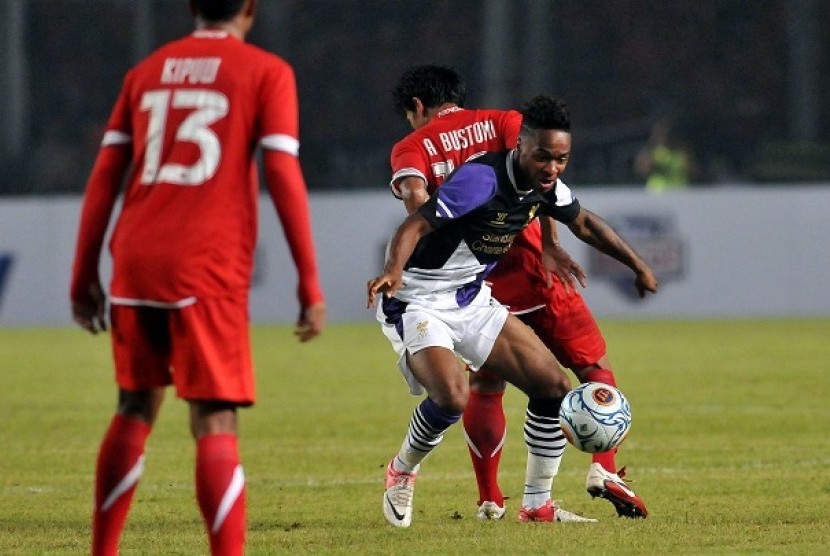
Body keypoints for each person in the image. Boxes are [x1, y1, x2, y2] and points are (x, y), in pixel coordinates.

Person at [69, 1, 326, 554]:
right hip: (205, 265)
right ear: (250, 8)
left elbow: (105, 176)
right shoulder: (266, 71)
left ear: (191, 6)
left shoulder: (145, 71)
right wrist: (309, 278)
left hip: (135, 259)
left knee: (135, 405)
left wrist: (83, 270)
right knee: (213, 418)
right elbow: (281, 170)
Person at [369, 94, 658, 528]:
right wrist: (393, 270)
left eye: (561, 159)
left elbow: (585, 222)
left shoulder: (545, 187)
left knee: (553, 387)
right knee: (451, 396)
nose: (552, 168)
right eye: (543, 156)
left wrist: (637, 265)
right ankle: (403, 468)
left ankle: (537, 505)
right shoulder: (481, 180)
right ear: (520, 144)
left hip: (470, 298)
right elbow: (416, 223)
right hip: (418, 299)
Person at [634, 118, 693, 193]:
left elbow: (692, 172)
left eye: (666, 134)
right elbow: (641, 171)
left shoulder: (681, 152)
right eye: (660, 133)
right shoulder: (650, 152)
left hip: (680, 190)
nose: (664, 136)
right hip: (657, 192)